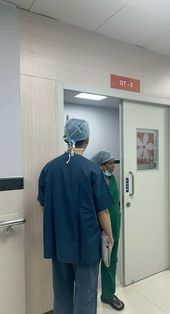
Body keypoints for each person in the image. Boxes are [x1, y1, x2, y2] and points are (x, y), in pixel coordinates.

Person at [37, 118, 114, 314]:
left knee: (61, 292)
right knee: (86, 294)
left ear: (66, 138)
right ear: (87, 140)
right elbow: (103, 211)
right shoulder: (92, 170)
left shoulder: (49, 169)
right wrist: (110, 238)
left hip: (60, 242)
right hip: (86, 245)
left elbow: (44, 205)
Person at [91, 150, 125, 311]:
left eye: (113, 162)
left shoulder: (111, 179)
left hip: (113, 227)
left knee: (110, 261)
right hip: (96, 228)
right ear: (101, 165)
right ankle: (87, 300)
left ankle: (108, 295)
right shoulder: (93, 180)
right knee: (90, 265)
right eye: (110, 163)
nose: (113, 166)